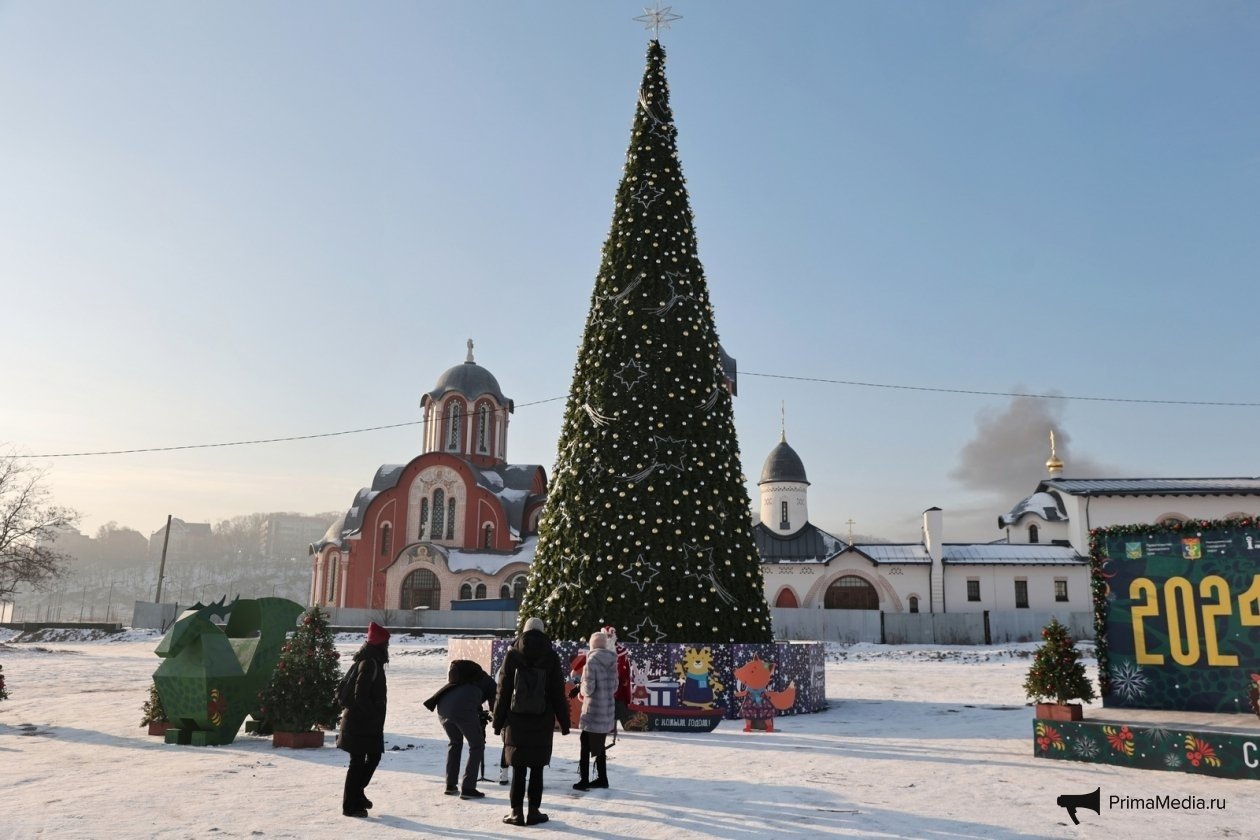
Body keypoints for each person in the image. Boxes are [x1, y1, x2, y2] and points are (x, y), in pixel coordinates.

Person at [492, 616, 570, 827]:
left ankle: (516, 813)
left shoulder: (512, 655)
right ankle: (534, 811)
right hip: (542, 719)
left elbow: (503, 691)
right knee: (537, 768)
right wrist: (564, 722)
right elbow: (557, 693)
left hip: (515, 720)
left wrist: (497, 722)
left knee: (518, 768)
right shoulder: (551, 657)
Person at [337, 621, 390, 818]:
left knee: (371, 757)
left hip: (365, 723)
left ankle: (357, 794)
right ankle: (350, 805)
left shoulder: (371, 661)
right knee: (358, 762)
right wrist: (373, 715)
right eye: (386, 644)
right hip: (360, 723)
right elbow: (361, 696)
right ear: (380, 644)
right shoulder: (369, 663)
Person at [424, 659, 497, 799]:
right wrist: (497, 720)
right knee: (477, 745)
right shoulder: (489, 683)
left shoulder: (464, 681)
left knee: (455, 742)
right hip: (462, 707)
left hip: (443, 706)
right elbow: (495, 704)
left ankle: (450, 785)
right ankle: (468, 788)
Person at [572, 631, 616, 791]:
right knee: (600, 745)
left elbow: (588, 689)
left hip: (592, 711)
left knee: (585, 744)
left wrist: (581, 688)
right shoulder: (612, 661)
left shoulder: (591, 661)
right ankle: (602, 778)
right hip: (606, 711)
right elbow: (615, 687)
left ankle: (584, 780)